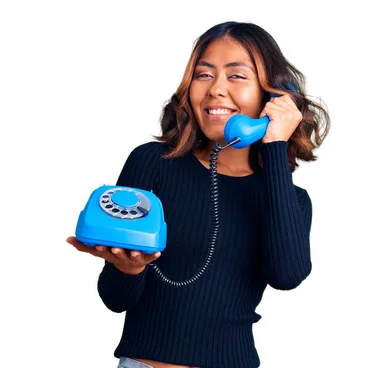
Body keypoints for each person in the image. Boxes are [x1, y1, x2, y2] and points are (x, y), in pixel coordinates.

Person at [66, 21, 330, 368]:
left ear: (272, 97)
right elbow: (116, 300)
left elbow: (287, 276)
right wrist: (127, 269)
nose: (216, 89)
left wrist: (275, 146)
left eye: (236, 76)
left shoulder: (290, 199)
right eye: (204, 75)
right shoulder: (152, 163)